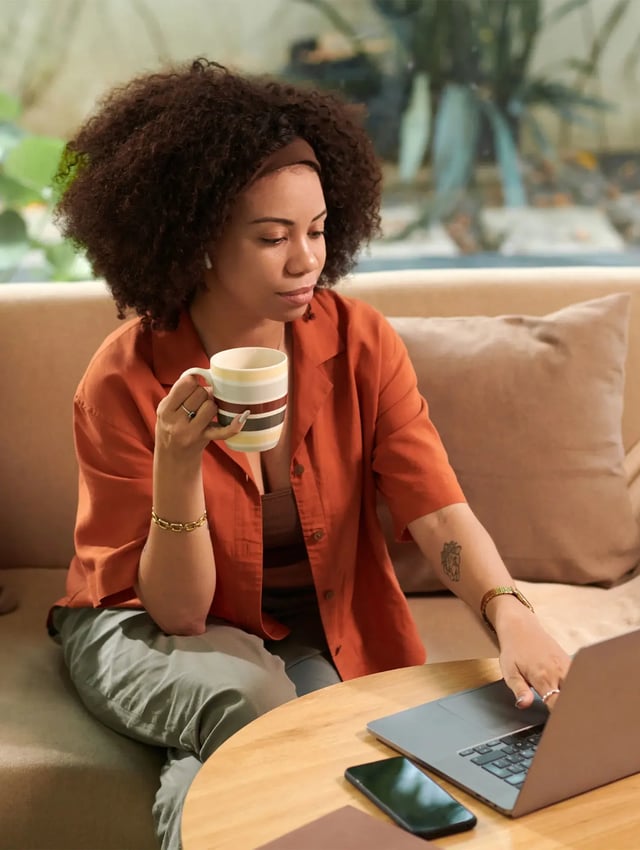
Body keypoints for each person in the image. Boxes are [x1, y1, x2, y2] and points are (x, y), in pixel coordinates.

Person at [49, 58, 570, 850]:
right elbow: (179, 613)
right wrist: (178, 464)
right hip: (140, 622)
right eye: (272, 237)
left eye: (318, 230)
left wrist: (511, 614)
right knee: (252, 703)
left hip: (293, 630)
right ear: (198, 242)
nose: (306, 260)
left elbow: (436, 509)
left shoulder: (361, 343)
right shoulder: (125, 380)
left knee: (325, 741)